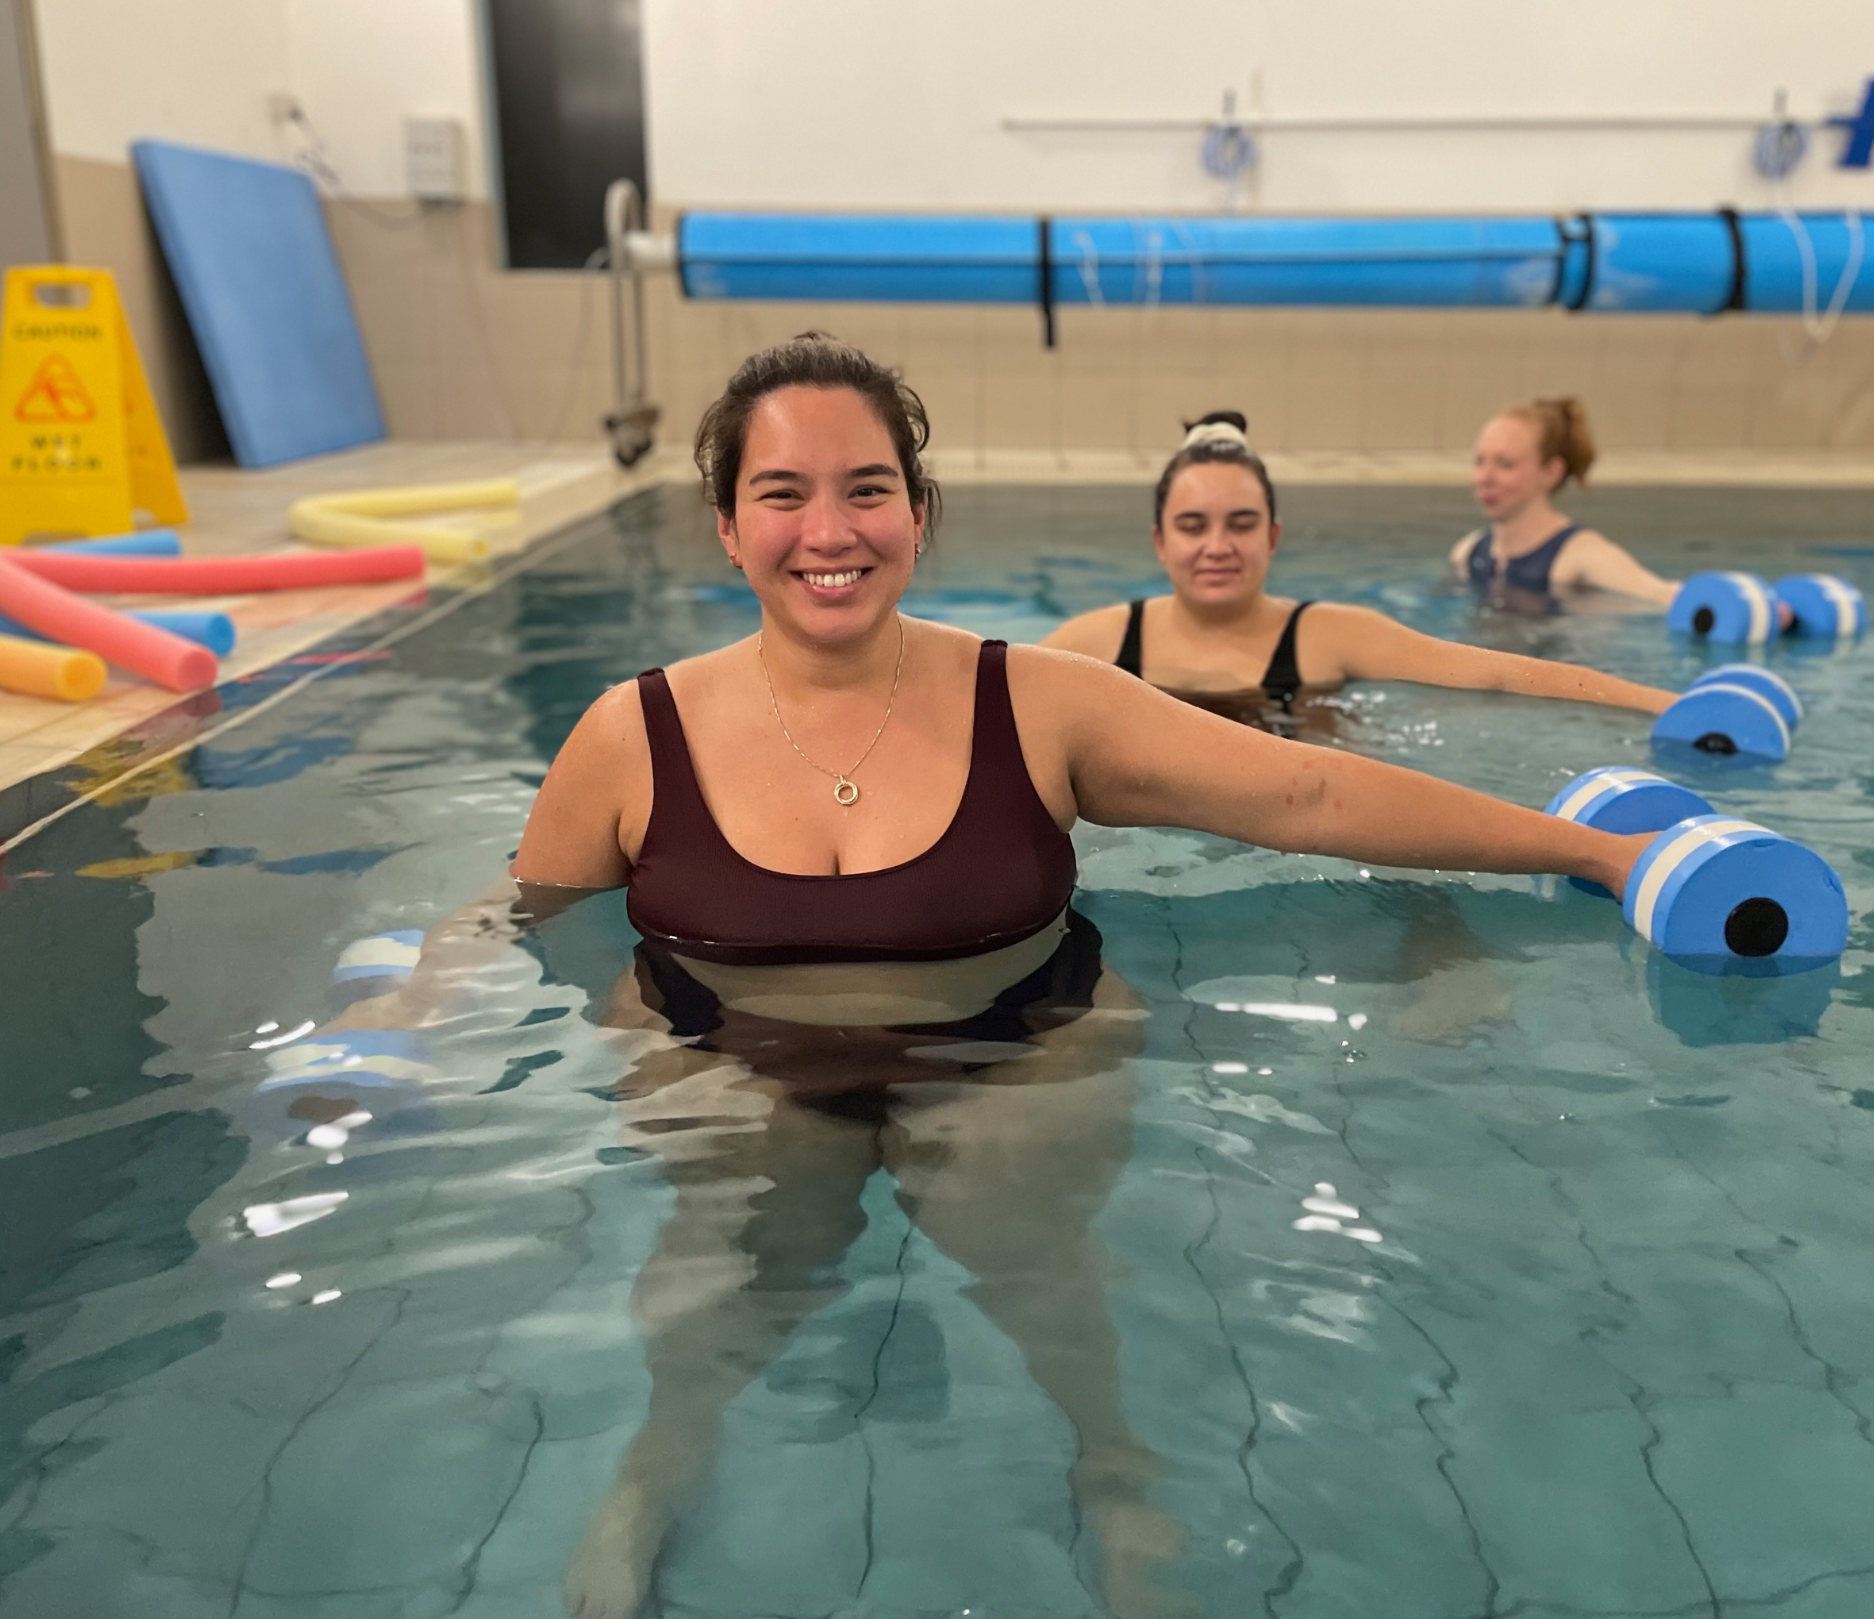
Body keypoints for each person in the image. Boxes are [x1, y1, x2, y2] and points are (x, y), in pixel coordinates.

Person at [507, 333, 1653, 1619]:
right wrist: (400, 1009)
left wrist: (1598, 852)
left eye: (867, 488)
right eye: (782, 492)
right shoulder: (631, 732)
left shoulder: (1039, 701)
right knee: (712, 1279)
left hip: (1017, 1043)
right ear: (726, 525)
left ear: (918, 512)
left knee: (1037, 1263)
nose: (829, 529)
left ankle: (1115, 1471)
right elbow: (524, 913)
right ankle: (651, 1475)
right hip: (727, 1053)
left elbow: (1308, 792)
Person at [1044, 411, 1675, 717]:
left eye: (1241, 524)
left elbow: (1494, 673)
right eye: (1192, 526)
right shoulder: (1097, 643)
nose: (1217, 546)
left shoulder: (1331, 636)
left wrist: (1660, 703)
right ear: (1159, 542)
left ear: (1273, 536)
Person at [1450, 397, 1682, 608]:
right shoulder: (1468, 553)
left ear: (1551, 472)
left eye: (1505, 464)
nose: (1485, 478)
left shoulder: (1581, 557)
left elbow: (1662, 594)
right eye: (1479, 461)